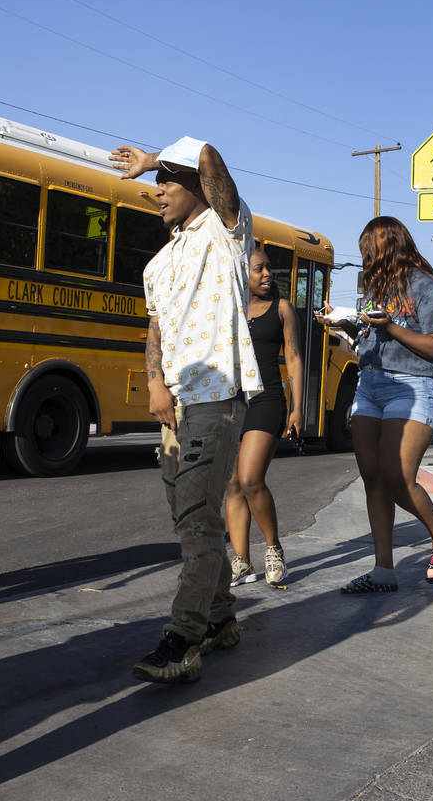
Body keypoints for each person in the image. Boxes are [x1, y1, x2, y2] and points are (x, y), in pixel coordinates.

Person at [110, 135, 261, 685]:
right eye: (154, 184)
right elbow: (154, 329)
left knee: (197, 517)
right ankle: (221, 619)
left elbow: (211, 158)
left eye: (166, 183)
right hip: (173, 403)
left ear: (193, 185)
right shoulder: (158, 263)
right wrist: (155, 385)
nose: (157, 191)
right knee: (187, 514)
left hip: (215, 398)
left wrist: (157, 158)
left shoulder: (227, 232)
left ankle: (183, 639)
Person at [314, 216, 433, 594]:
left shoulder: (427, 286)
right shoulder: (374, 287)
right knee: (374, 479)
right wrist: (344, 325)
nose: (366, 253)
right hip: (369, 386)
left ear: (393, 244)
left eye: (372, 246)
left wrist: (390, 326)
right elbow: (368, 335)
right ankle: (383, 571)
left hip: (410, 387)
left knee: (397, 477)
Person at [225, 249, 304, 588]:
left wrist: (298, 408)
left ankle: (273, 547)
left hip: (268, 399)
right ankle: (241, 561)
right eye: (258, 269)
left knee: (250, 478)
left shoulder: (281, 309)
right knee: (231, 484)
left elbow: (295, 358)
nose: (267, 274)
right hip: (233, 399)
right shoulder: (232, 308)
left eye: (268, 268)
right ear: (244, 273)